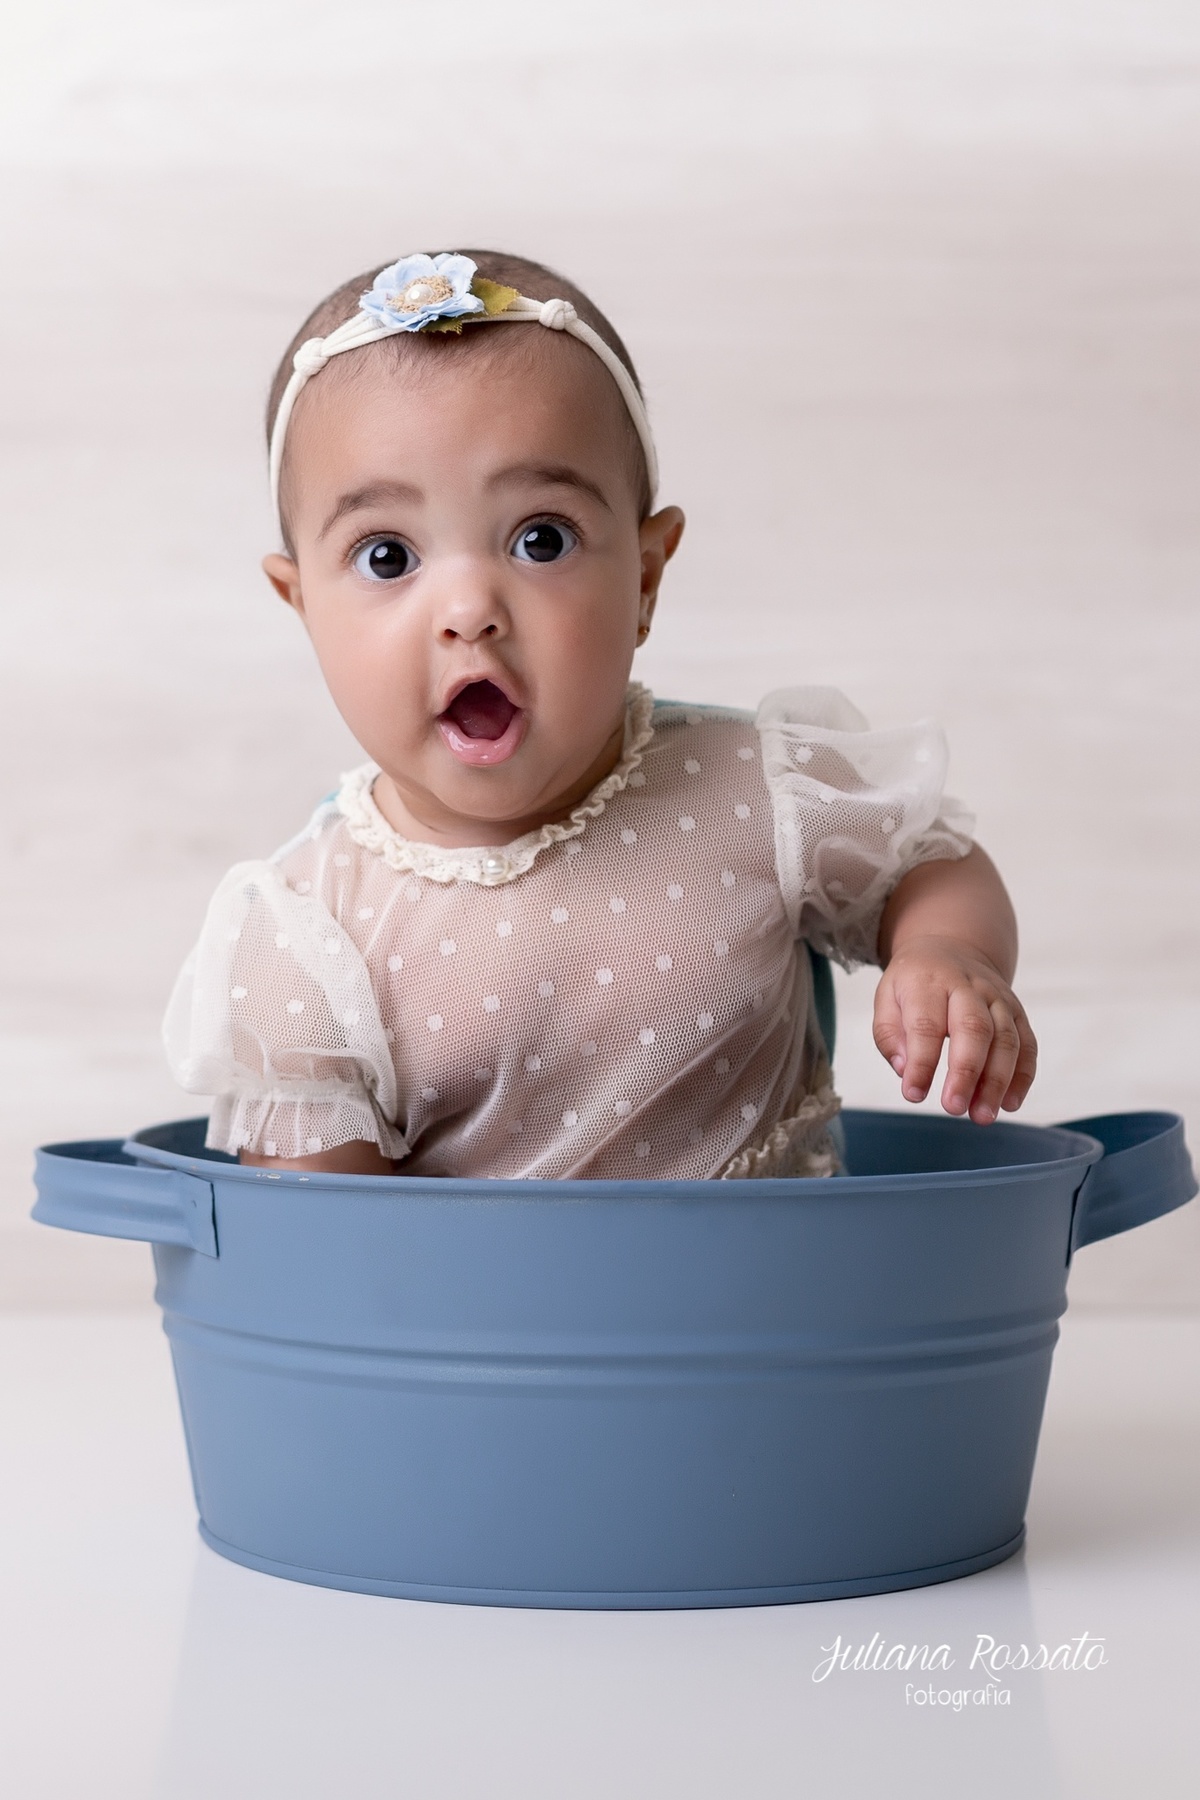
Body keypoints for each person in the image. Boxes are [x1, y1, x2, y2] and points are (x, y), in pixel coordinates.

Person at [164, 249, 1037, 1181]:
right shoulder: (308, 931)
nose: (469, 608)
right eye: (387, 556)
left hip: (783, 1278)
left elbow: (929, 860)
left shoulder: (753, 791)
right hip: (466, 1289)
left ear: (646, 578)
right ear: (303, 606)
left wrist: (946, 951)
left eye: (541, 539)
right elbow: (320, 1236)